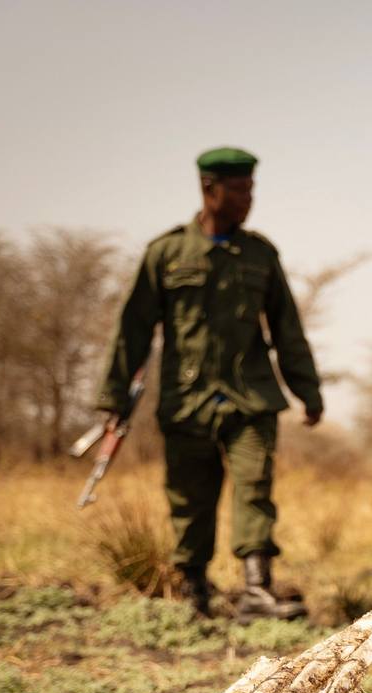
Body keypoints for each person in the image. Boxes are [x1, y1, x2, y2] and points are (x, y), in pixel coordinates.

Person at [95, 147, 320, 622]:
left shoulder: (260, 254)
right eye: (238, 189)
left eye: (251, 189)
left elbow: (288, 329)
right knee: (189, 496)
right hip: (187, 399)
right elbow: (133, 328)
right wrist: (113, 396)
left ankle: (257, 589)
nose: (248, 199)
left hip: (251, 396)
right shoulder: (166, 253)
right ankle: (194, 590)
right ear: (208, 188)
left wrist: (309, 392)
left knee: (254, 486)